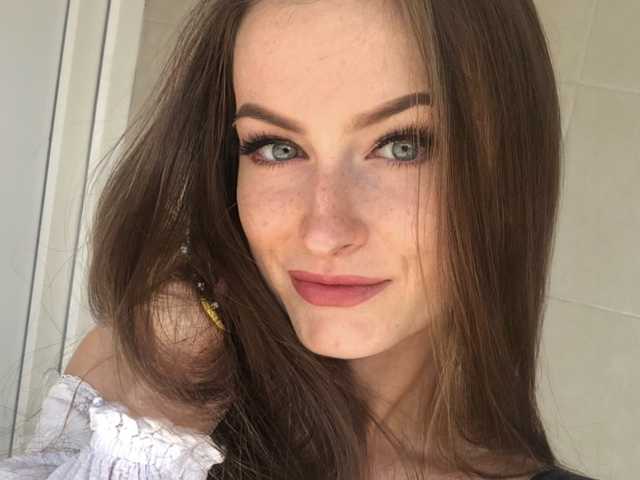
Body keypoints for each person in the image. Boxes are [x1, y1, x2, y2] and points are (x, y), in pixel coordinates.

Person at [0, 0, 600, 479]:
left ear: (506, 171)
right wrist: (156, 420)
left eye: (403, 146)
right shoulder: (140, 396)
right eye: (277, 147)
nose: (323, 231)